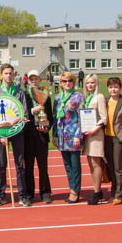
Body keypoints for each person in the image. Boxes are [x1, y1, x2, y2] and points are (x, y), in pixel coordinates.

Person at [0, 63, 32, 207]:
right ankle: (1, 195)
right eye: (6, 73)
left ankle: (22, 195)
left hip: (17, 134)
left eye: (11, 73)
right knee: (2, 166)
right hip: (1, 135)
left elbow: (25, 115)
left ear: (14, 75)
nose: (9, 76)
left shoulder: (20, 93)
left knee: (19, 164)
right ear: (1, 74)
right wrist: (2, 134)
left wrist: (14, 130)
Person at [53, 71, 84, 204]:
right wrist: (54, 134)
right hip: (62, 136)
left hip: (73, 136)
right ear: (60, 83)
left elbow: (82, 118)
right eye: (64, 81)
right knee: (67, 165)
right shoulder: (58, 98)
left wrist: (78, 135)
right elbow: (55, 117)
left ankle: (75, 191)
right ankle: (72, 187)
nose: (67, 83)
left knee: (75, 164)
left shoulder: (78, 97)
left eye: (70, 81)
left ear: (73, 82)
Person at [23, 70, 53, 204]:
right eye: (31, 79)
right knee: (28, 167)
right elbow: (21, 114)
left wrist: (47, 127)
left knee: (43, 166)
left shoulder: (45, 95)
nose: (33, 81)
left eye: (36, 79)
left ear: (39, 80)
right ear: (28, 81)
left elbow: (50, 116)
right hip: (28, 135)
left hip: (41, 135)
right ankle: (29, 193)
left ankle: (45, 192)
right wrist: (31, 111)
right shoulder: (23, 95)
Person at [104, 77, 122, 205]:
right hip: (107, 137)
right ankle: (113, 191)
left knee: (119, 167)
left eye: (115, 87)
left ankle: (120, 194)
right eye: (110, 87)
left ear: (120, 88)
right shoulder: (105, 101)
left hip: (119, 138)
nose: (113, 89)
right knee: (111, 167)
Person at [81, 74, 108, 205]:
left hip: (96, 135)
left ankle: (98, 192)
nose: (90, 85)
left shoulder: (99, 97)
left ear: (97, 84)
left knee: (96, 163)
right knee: (90, 164)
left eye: (92, 83)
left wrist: (94, 129)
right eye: (87, 83)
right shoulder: (86, 98)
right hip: (87, 135)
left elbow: (104, 118)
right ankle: (96, 189)